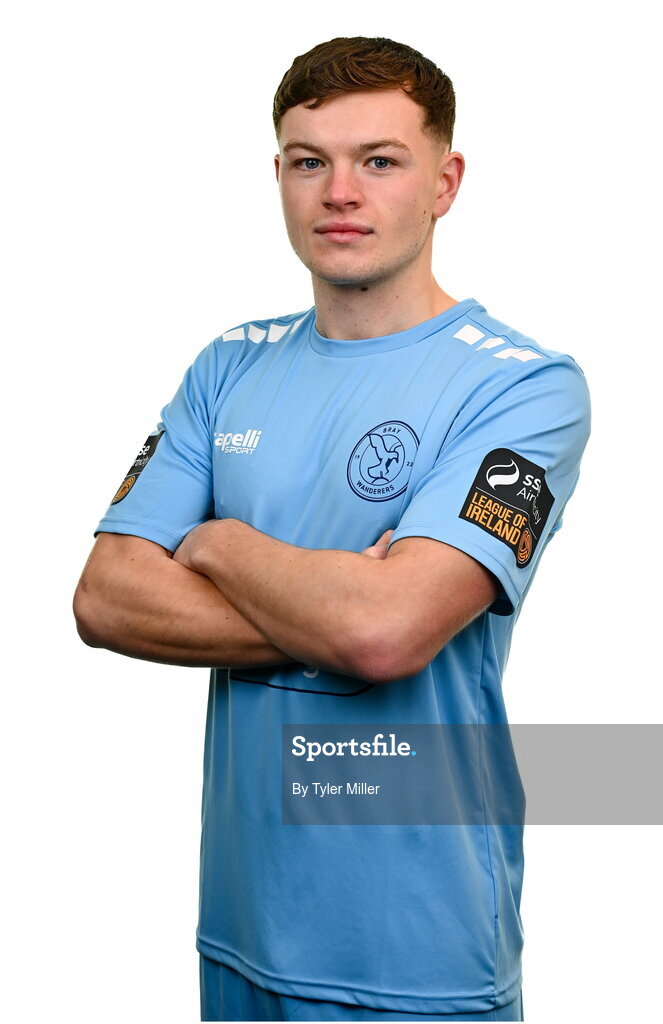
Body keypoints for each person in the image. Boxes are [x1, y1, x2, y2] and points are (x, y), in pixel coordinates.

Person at [73, 35, 590, 1022]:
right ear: (279, 175)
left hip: (415, 951)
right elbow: (105, 596)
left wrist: (220, 545)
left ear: (446, 181)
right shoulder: (229, 364)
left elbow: (387, 632)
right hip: (239, 931)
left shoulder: (524, 387)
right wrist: (342, 603)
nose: (339, 190)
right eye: (310, 160)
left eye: (380, 161)